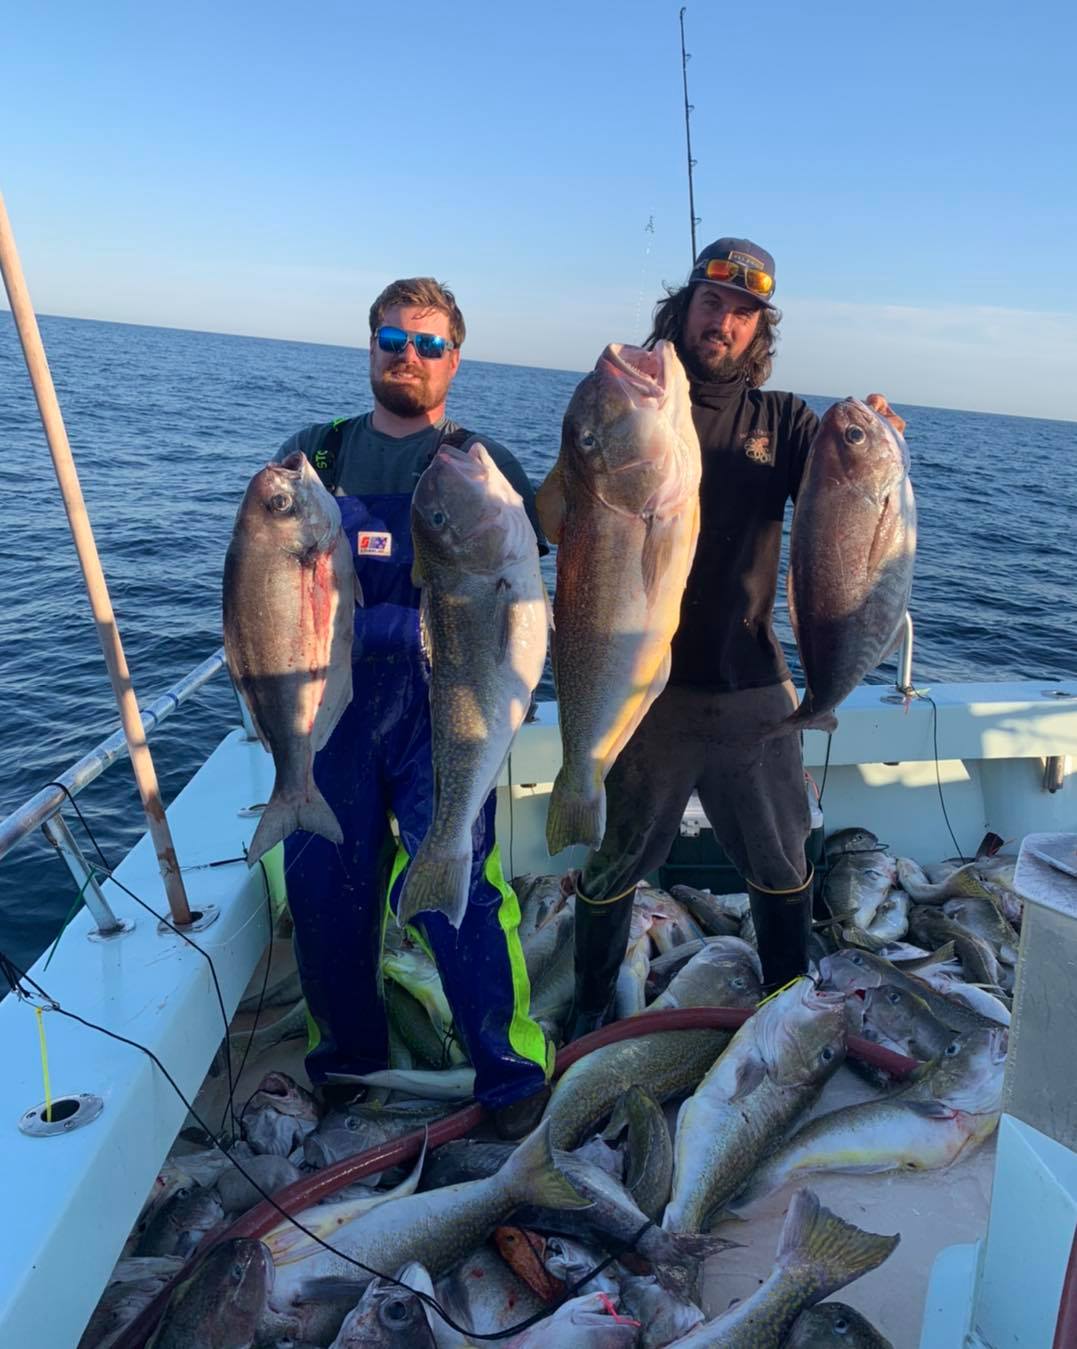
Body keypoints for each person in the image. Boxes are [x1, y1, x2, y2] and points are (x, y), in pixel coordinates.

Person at [545, 238, 906, 1032]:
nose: (724, 322)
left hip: (751, 683)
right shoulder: (630, 406)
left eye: (743, 313)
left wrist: (875, 434)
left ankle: (786, 1007)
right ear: (683, 307)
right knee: (613, 860)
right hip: (645, 688)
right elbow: (557, 520)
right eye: (711, 302)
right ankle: (592, 1006)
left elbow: (847, 493)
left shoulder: (781, 420)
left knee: (782, 858)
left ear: (759, 331)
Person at [276, 277, 551, 1136]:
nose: (409, 355)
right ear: (369, 347)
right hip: (334, 712)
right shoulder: (314, 454)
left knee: (462, 886)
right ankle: (346, 1062)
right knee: (326, 888)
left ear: (454, 361)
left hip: (448, 702)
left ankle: (508, 1072)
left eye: (429, 344)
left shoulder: (484, 462)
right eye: (393, 338)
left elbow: (559, 547)